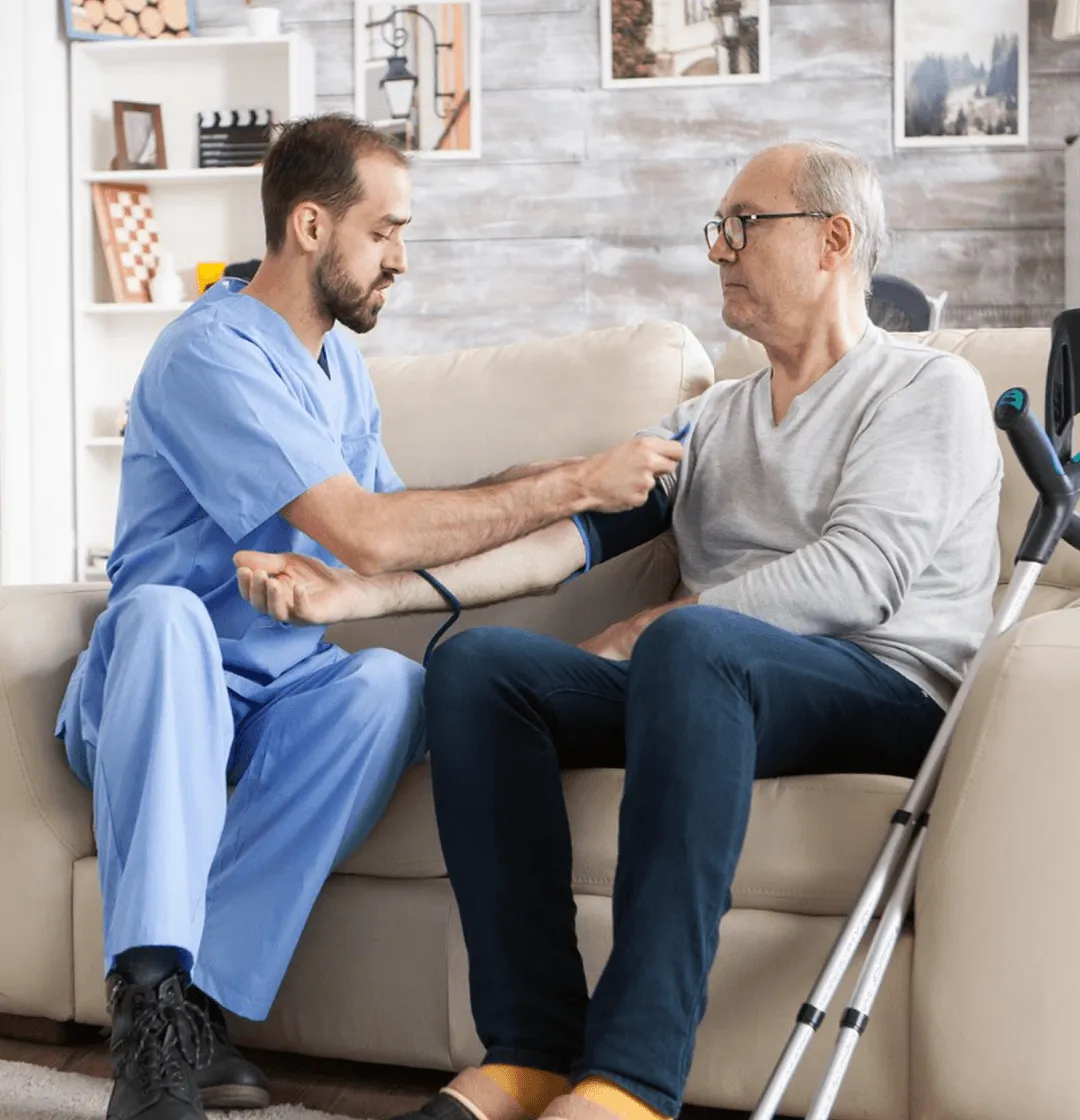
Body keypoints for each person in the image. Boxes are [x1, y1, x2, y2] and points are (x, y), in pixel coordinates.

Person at [234, 140, 1003, 1120]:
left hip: (884, 685)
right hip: (713, 679)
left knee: (687, 644)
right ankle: (531, 1054)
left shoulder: (923, 390)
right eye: (715, 229)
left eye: (742, 225)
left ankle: (634, 1080)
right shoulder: (713, 419)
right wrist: (359, 593)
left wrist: (662, 626)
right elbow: (561, 543)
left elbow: (865, 576)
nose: (719, 249)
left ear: (832, 240)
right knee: (481, 669)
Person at [55, 113, 684, 1120]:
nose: (401, 259)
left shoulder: (336, 365)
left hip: (277, 689)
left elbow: (412, 519)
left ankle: (197, 1007)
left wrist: (581, 487)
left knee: (391, 683)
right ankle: (148, 1018)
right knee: (171, 615)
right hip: (155, 691)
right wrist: (570, 475)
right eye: (384, 231)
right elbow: (366, 534)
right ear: (309, 226)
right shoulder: (208, 355)